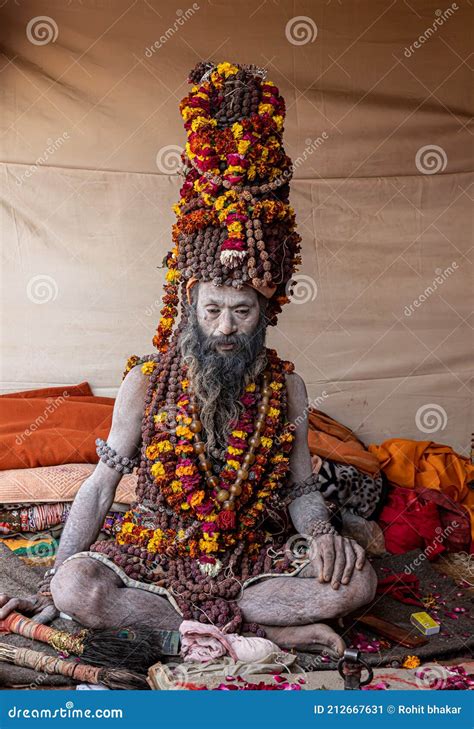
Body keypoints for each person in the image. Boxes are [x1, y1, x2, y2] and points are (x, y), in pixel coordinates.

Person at [0, 61, 377, 657]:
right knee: (78, 587)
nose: (226, 327)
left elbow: (302, 489)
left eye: (242, 312)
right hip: (159, 548)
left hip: (253, 549)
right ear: (188, 304)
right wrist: (54, 579)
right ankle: (255, 630)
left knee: (356, 581)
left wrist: (325, 533)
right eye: (212, 311)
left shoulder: (288, 389)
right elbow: (102, 485)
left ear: (266, 311)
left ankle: (200, 632)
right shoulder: (145, 381)